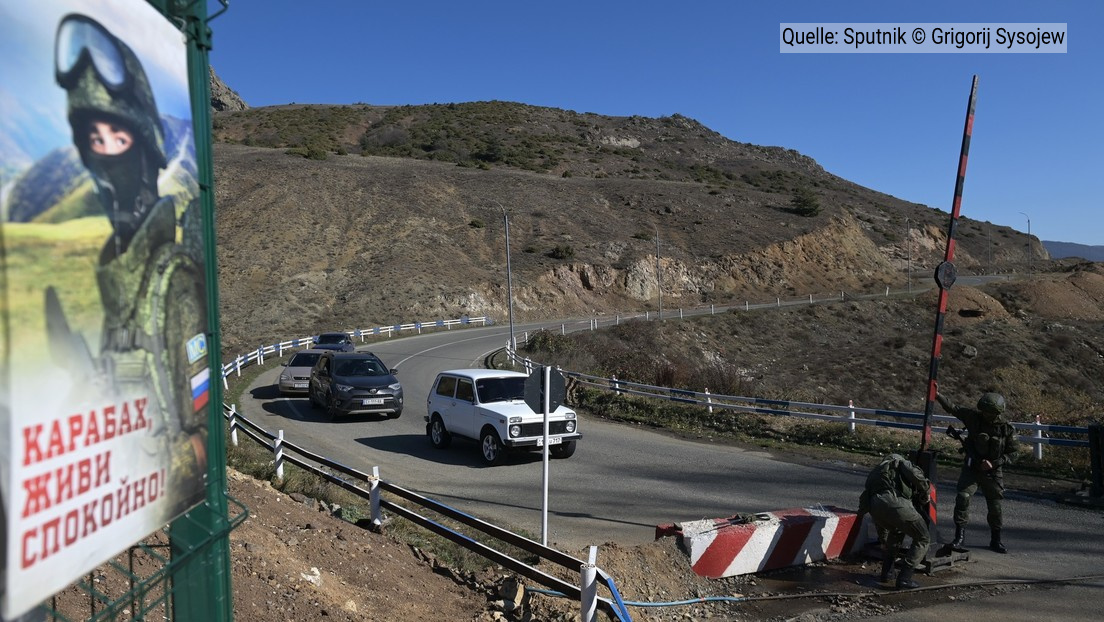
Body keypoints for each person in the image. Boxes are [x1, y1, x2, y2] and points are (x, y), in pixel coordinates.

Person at [47, 13, 209, 520]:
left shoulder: (171, 281)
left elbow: (196, 438)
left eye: (116, 138)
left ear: (144, 148)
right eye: (93, 141)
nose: (105, 155)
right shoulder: (120, 281)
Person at [937, 391, 1018, 554]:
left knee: (995, 505)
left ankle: (996, 540)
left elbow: (1014, 453)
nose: (986, 415)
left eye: (990, 413)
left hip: (993, 472)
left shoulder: (1006, 429)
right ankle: (959, 537)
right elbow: (953, 408)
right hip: (972, 468)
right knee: (963, 497)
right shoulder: (973, 418)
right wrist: (938, 395)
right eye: (984, 411)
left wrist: (994, 463)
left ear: (998, 412)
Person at [858, 453, 931, 589]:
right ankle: (905, 578)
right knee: (923, 538)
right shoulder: (899, 462)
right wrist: (926, 490)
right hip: (895, 503)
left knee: (896, 531)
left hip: (875, 507)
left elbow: (879, 521)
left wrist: (883, 540)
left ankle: (887, 573)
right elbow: (914, 473)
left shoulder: (876, 473)